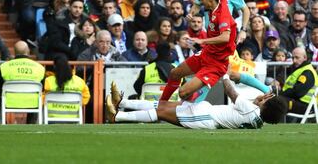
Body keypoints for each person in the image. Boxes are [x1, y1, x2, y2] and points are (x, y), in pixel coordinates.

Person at [160, 0, 237, 103]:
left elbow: (225, 37)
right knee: (174, 74)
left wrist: (203, 41)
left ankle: (194, 100)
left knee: (183, 93)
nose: (201, 1)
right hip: (206, 54)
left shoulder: (223, 14)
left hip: (217, 63)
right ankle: (161, 104)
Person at [106, 75, 287, 127]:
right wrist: (257, 101)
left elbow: (231, 92)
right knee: (163, 106)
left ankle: (118, 116)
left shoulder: (250, 109)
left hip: (203, 118)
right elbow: (243, 110)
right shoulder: (257, 119)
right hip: (205, 112)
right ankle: (121, 103)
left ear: (268, 105)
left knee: (160, 112)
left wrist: (223, 74)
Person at [0, 41, 45, 124]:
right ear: (28, 51)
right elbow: (42, 87)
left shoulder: (4, 67)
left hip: (9, 101)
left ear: (14, 52)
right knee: (38, 96)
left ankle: (2, 124)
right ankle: (31, 126)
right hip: (32, 102)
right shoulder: (39, 68)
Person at [278, 47, 318, 116]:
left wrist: (280, 94)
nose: (294, 61)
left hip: (304, 105)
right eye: (293, 58)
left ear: (305, 58)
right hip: (297, 102)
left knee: (275, 102)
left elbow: (298, 92)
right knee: (273, 100)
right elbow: (284, 72)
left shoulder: (308, 72)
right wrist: (277, 80)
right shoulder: (298, 68)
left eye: (297, 57)